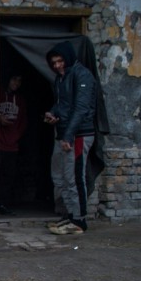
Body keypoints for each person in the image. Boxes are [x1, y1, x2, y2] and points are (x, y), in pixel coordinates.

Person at [43, 40, 97, 235]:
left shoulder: (82, 75)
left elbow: (81, 108)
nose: (57, 65)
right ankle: (69, 215)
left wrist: (69, 135)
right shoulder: (61, 78)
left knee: (74, 177)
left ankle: (79, 220)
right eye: (54, 62)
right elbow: (62, 104)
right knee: (60, 177)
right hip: (63, 132)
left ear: (68, 58)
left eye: (60, 61)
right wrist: (53, 113)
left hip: (78, 134)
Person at [0, 73, 27, 215]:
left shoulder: (20, 100)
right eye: (14, 78)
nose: (17, 83)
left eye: (19, 80)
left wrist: (16, 136)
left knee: (8, 177)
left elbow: (23, 122)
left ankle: (3, 204)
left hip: (12, 145)